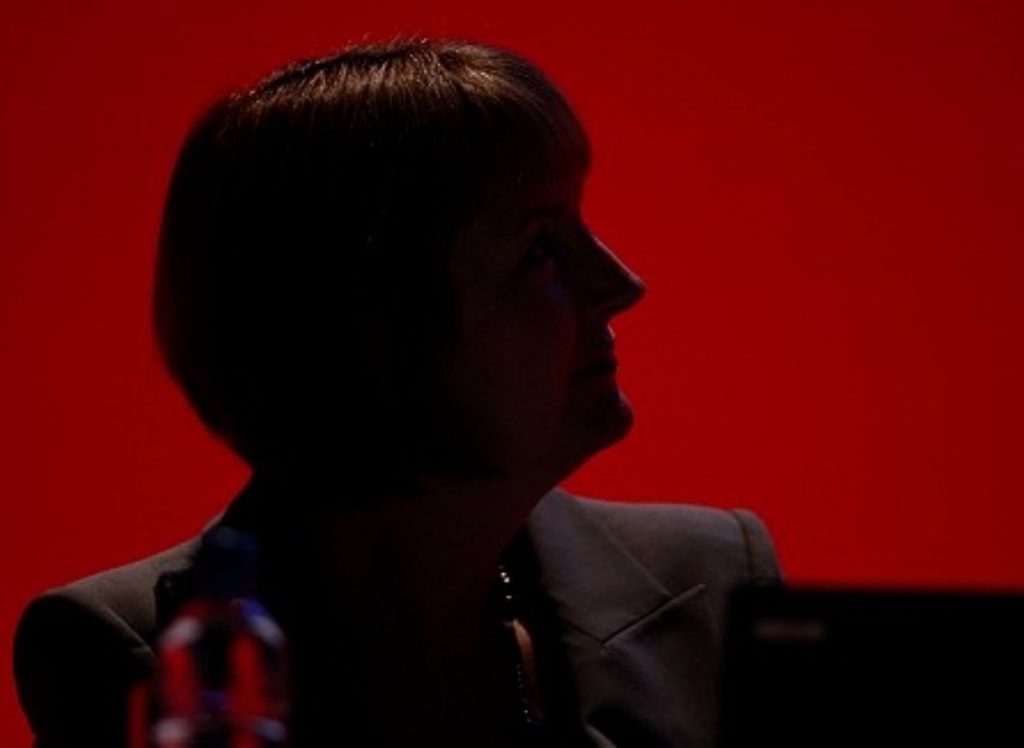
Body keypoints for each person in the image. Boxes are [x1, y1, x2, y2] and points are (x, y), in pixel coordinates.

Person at [13, 38, 782, 747]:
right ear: (370, 322)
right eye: (541, 247)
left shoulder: (714, 575)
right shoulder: (130, 645)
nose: (620, 285)